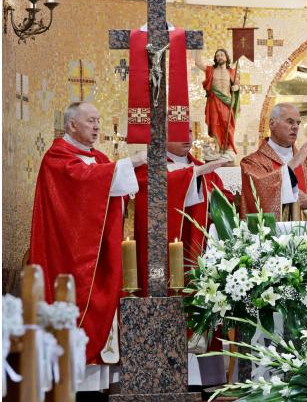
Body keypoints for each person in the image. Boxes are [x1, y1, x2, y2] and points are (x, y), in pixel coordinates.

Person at [28, 102, 146, 366]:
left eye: (98, 121)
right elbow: (84, 181)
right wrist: (131, 162)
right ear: (72, 125)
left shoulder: (100, 159)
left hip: (101, 250)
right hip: (69, 255)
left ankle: (100, 370)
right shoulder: (57, 158)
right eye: (91, 121)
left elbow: (108, 186)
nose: (97, 127)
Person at [132, 130, 229, 296]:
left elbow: (226, 204)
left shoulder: (205, 168)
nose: (186, 136)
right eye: (179, 129)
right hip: (164, 250)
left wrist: (213, 199)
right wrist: (194, 174)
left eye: (189, 131)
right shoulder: (148, 166)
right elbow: (151, 198)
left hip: (199, 246)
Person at [240, 103, 307, 221]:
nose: (295, 127)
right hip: (274, 232)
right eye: (290, 122)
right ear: (272, 124)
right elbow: (258, 197)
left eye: (298, 123)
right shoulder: (252, 163)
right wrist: (290, 167)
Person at [194, 48, 239, 162]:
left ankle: (228, 149)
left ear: (226, 58)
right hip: (214, 101)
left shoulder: (232, 72)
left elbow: (237, 86)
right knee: (214, 125)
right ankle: (218, 150)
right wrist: (198, 46)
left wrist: (236, 87)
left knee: (228, 125)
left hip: (226, 102)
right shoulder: (211, 70)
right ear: (215, 58)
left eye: (222, 55)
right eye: (217, 55)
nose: (220, 57)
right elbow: (198, 62)